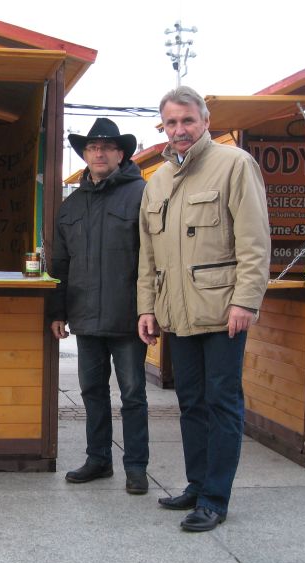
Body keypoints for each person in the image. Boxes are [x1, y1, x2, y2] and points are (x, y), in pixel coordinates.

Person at [137, 86, 270, 531]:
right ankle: (196, 486)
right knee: (190, 403)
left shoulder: (235, 165)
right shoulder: (157, 180)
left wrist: (246, 300)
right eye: (171, 123)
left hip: (222, 311)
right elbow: (148, 255)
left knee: (222, 403)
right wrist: (147, 308)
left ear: (205, 120)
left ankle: (215, 497)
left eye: (187, 120)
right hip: (177, 313)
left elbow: (254, 242)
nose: (180, 130)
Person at [49, 118, 150, 495]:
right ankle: (99, 459)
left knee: (134, 395)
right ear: (85, 154)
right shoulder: (71, 204)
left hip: (128, 318)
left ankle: (136, 467)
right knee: (92, 391)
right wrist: (57, 312)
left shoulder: (142, 194)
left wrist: (150, 310)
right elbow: (60, 262)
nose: (99, 152)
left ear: (121, 154)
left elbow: (154, 259)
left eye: (107, 146)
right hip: (85, 317)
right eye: (92, 147)